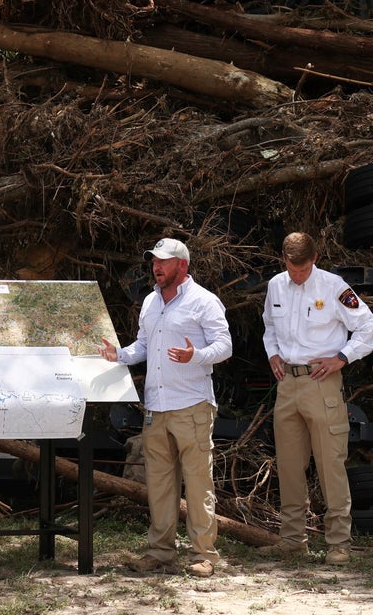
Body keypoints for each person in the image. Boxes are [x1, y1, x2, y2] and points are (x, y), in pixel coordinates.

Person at [100, 237, 232, 578]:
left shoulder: (204, 301)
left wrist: (197, 356)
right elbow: (144, 345)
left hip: (192, 404)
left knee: (199, 481)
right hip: (156, 407)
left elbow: (225, 346)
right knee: (159, 484)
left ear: (182, 265)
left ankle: (205, 554)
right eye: (154, 261)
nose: (156, 267)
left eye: (163, 261)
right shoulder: (149, 302)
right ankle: (161, 552)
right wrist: (121, 355)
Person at [260, 232, 373, 564]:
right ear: (283, 260)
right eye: (291, 268)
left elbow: (369, 327)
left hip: (322, 382)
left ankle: (339, 543)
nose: (297, 275)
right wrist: (272, 354)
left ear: (314, 259)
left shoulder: (333, 286)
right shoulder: (275, 286)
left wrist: (342, 357)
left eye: (303, 268)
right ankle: (292, 539)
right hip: (288, 384)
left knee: (330, 464)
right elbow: (269, 326)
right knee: (288, 465)